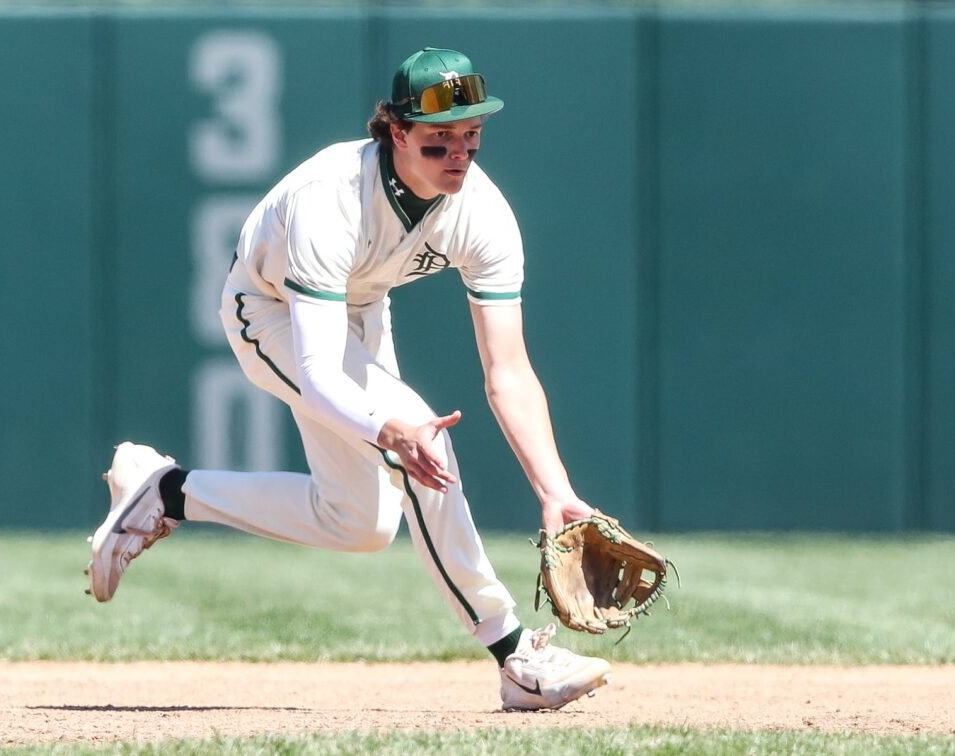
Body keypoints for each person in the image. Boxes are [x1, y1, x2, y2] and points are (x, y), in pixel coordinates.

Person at [86, 47, 611, 712]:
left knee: (361, 523)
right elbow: (319, 368)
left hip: (359, 309)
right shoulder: (329, 200)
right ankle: (515, 656)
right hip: (270, 312)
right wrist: (388, 428)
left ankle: (168, 493)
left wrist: (554, 488)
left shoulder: (483, 213)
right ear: (396, 132)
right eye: (438, 139)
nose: (459, 152)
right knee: (426, 448)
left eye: (470, 133)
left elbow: (509, 371)